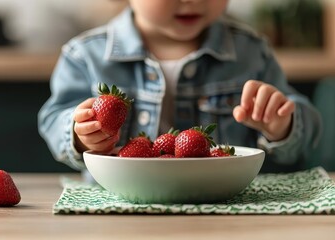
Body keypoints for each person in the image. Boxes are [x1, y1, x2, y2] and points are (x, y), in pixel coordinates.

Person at [38, 0, 322, 174]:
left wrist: (283, 125)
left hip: (226, 213)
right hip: (121, 212)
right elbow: (53, 120)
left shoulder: (252, 52)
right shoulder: (85, 56)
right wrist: (79, 134)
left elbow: (307, 136)